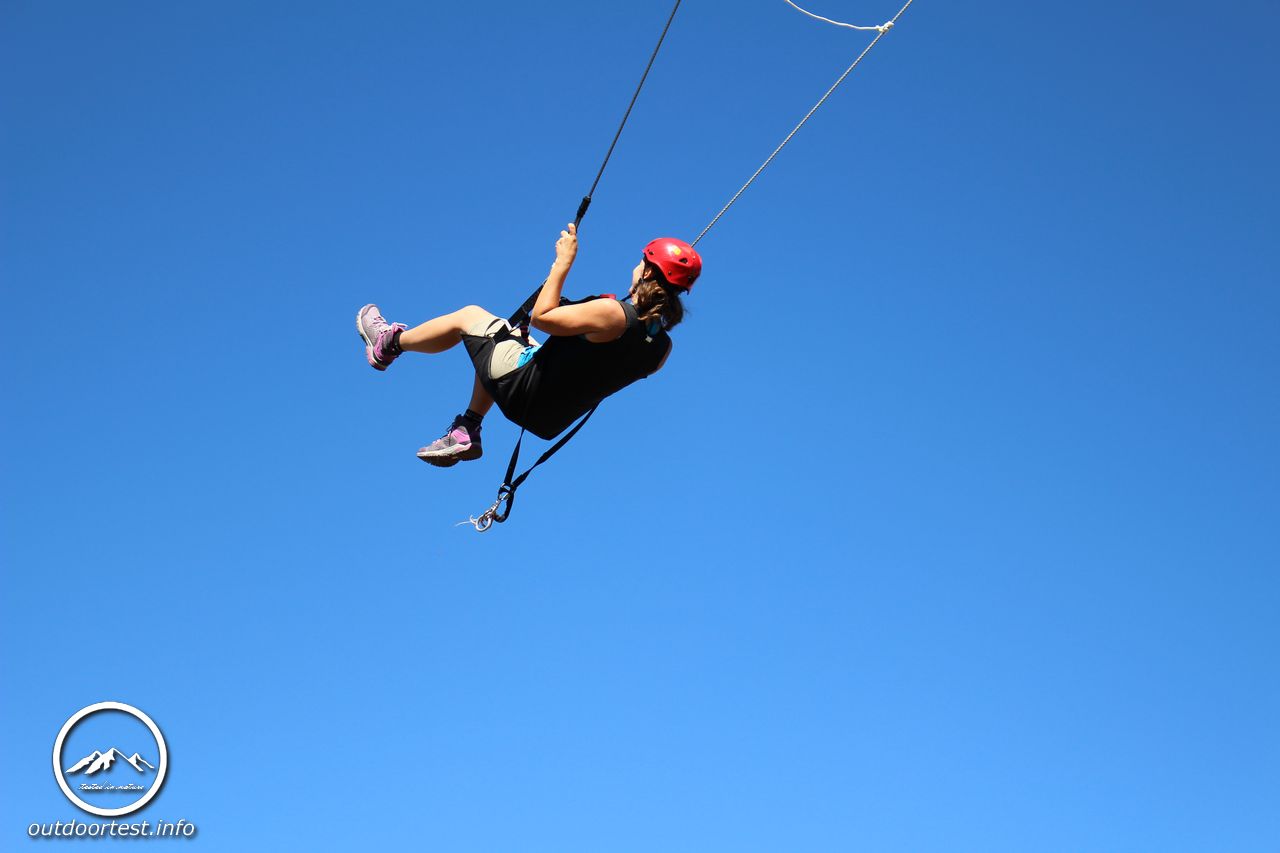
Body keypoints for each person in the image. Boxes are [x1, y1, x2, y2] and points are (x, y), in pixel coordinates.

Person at [356, 223, 702, 466]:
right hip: (547, 417)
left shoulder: (613, 314)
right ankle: (467, 429)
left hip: (523, 390)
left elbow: (542, 316)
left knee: (471, 315)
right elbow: (597, 359)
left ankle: (389, 344)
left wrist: (562, 264)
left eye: (641, 260)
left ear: (646, 273)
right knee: (505, 338)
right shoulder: (661, 351)